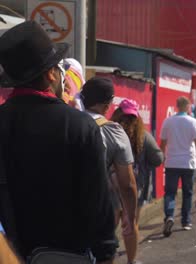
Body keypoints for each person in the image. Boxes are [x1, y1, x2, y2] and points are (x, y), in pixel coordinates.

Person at [0, 21, 116, 263]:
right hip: (67, 254)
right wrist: (106, 252)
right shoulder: (80, 126)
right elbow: (98, 204)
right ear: (51, 73)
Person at [81, 77, 139, 260]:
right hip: (98, 211)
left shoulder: (65, 122)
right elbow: (127, 183)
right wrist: (130, 217)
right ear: (108, 104)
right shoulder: (113, 131)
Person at [110, 98, 164, 264]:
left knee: (109, 226)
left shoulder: (109, 132)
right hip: (134, 187)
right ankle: (131, 260)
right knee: (131, 224)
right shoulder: (144, 136)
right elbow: (157, 159)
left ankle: (105, 257)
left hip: (110, 186)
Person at [160, 96, 196, 236]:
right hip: (188, 163)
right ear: (187, 106)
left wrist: (163, 157)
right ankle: (186, 221)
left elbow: (162, 143)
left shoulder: (168, 121)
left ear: (177, 106)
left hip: (172, 162)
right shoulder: (193, 122)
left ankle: (169, 216)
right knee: (188, 193)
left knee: (170, 192)